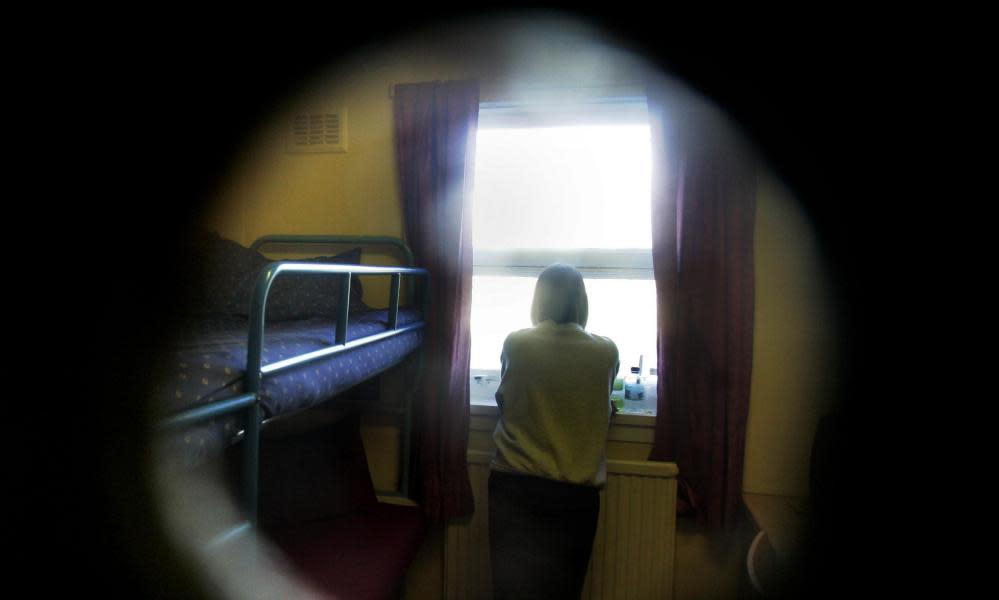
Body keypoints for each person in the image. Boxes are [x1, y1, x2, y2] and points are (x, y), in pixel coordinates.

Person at [488, 264, 620, 600]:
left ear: (539, 300)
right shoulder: (606, 351)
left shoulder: (517, 344)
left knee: (510, 591)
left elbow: (506, 400)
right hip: (575, 497)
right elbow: (599, 402)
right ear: (581, 302)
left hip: (515, 486)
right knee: (564, 591)